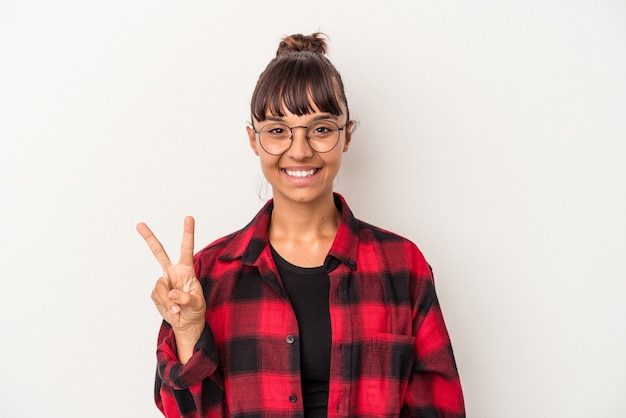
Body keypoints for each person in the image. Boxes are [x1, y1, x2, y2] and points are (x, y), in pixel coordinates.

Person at [137, 33, 465, 418]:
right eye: (278, 130)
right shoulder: (210, 274)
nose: (300, 149)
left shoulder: (402, 266)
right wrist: (189, 330)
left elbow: (440, 409)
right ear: (253, 140)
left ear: (347, 137)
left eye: (321, 129)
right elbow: (186, 413)